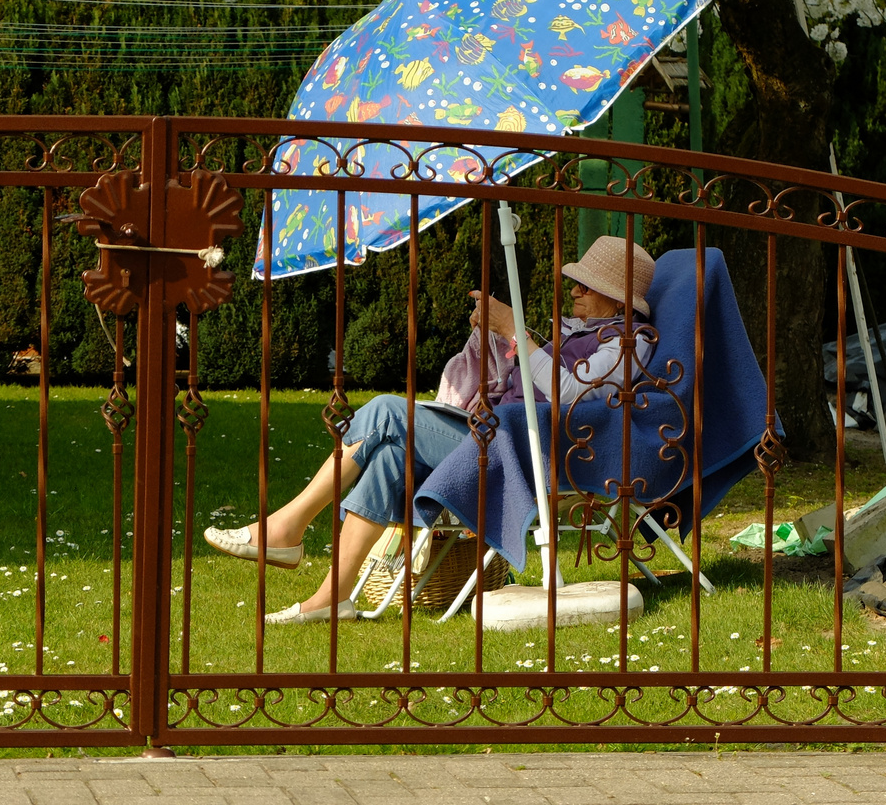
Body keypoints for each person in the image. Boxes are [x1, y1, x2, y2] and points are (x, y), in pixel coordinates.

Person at [202, 235, 657, 624]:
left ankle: (286, 529)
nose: (573, 290)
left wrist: (517, 334)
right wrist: (500, 337)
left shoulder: (630, 343)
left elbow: (576, 391)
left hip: (527, 454)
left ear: (618, 300)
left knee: (384, 411)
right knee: (387, 460)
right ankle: (331, 598)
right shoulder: (576, 330)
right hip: (502, 435)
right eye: (576, 282)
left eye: (586, 285)